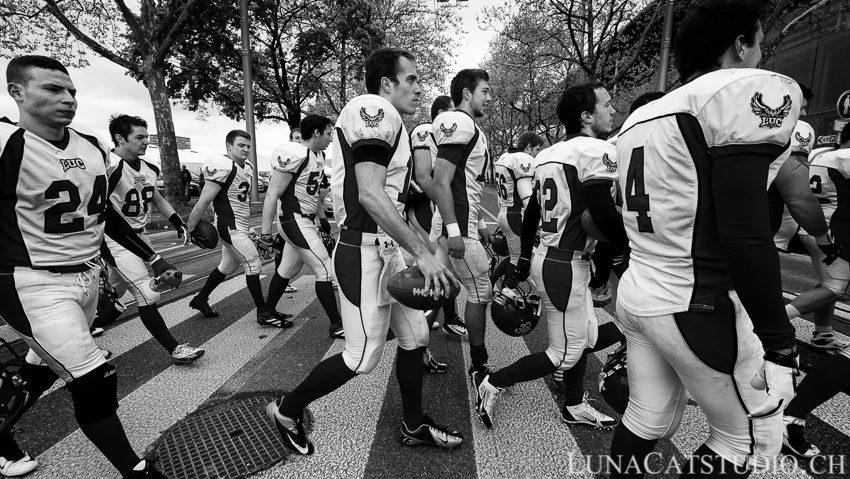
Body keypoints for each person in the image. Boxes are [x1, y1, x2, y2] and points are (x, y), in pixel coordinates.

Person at [608, 1, 808, 476]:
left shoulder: (642, 117)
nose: (760, 55)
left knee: (646, 414)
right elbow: (744, 233)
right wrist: (780, 342)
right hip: (692, 300)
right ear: (740, 45)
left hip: (640, 290)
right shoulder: (734, 92)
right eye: (758, 42)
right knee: (747, 440)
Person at [265, 47, 462, 455]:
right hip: (362, 250)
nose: (417, 88)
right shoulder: (372, 107)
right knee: (362, 356)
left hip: (384, 250)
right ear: (386, 83)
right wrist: (422, 254)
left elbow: (390, 201)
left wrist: (421, 245)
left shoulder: (393, 125)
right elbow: (371, 195)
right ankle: (286, 409)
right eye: (410, 79)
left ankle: (412, 424)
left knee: (416, 336)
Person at [0, 55, 172, 478]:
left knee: (40, 369)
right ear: (17, 92)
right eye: (53, 89)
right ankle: (135, 470)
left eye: (72, 90)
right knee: (94, 377)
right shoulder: (8, 142)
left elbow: (102, 213)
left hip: (85, 275)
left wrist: (150, 254)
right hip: (31, 281)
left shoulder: (90, 145)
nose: (68, 99)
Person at [478, 84, 626, 430]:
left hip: (553, 255)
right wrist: (630, 246)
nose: (613, 111)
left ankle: (574, 404)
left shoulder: (546, 155)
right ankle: (492, 382)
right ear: (586, 115)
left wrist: (525, 257)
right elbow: (601, 213)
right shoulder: (596, 150)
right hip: (566, 262)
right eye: (605, 105)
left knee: (586, 337)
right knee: (562, 352)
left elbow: (531, 215)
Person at [104, 114, 204, 364]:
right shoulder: (106, 166)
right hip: (116, 238)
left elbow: (155, 197)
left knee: (109, 295)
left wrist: (175, 220)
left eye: (146, 137)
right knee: (146, 295)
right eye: (139, 137)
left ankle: (74, 338)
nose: (145, 142)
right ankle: (175, 348)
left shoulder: (149, 168)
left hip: (141, 236)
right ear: (119, 138)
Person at [782, 123, 850, 458]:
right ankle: (781, 317)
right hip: (833, 229)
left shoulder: (824, 155)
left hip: (813, 224)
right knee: (835, 287)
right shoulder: (846, 159)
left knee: (830, 284)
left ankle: (822, 333)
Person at [187, 130, 292, 326]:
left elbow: (237, 201)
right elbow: (205, 200)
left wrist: (246, 228)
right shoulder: (222, 166)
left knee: (228, 266)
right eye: (241, 145)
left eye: (248, 146)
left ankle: (200, 299)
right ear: (228, 147)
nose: (245, 149)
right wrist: (190, 228)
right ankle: (264, 312)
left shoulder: (248, 166)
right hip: (229, 226)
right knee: (253, 263)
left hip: (240, 225)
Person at [431, 69, 494, 382]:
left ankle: (414, 344)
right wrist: (455, 231)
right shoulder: (461, 121)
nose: (489, 97)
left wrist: (480, 220)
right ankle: (479, 365)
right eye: (484, 90)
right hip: (456, 228)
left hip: (459, 222)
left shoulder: (471, 126)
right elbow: (441, 180)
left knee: (437, 288)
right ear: (467, 93)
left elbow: (469, 182)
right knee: (480, 292)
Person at [258, 114, 344, 337]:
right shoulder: (295, 152)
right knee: (324, 268)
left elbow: (313, 194)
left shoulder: (317, 154)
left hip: (303, 220)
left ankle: (267, 311)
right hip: (293, 219)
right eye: (327, 133)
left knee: (287, 270)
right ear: (316, 133)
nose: (330, 138)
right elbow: (272, 193)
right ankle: (337, 325)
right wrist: (265, 234)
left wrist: (322, 218)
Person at [588, 90, 665, 307]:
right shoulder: (677, 137)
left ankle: (600, 282)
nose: (612, 110)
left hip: (632, 237)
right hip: (659, 245)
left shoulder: (616, 142)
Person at [409, 95, 467, 337]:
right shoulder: (425, 130)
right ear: (443, 112)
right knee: (440, 266)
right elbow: (423, 176)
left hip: (428, 206)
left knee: (438, 265)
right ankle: (425, 325)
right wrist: (445, 206)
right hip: (423, 206)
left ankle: (441, 318)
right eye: (453, 111)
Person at [492, 131, 544, 281]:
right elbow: (526, 195)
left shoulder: (505, 156)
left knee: (514, 257)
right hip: (516, 215)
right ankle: (506, 292)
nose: (537, 154)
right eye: (537, 149)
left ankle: (492, 282)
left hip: (504, 212)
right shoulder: (523, 159)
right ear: (528, 147)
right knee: (519, 261)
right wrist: (538, 223)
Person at [772, 84, 816, 253]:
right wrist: (821, 235)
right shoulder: (799, 128)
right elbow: (798, 193)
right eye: (802, 107)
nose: (804, 114)